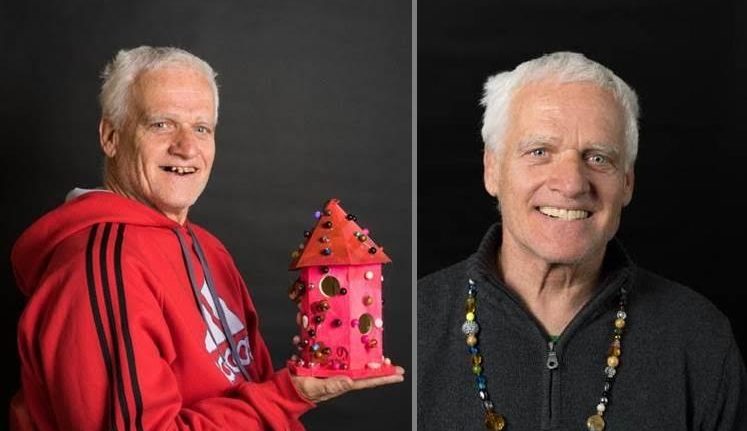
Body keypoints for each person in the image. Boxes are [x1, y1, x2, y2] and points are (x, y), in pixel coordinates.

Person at [10, 46, 404, 431]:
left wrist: (296, 387)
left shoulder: (209, 250)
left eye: (201, 128)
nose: (186, 148)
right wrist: (289, 394)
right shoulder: (96, 268)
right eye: (161, 124)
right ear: (111, 137)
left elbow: (256, 398)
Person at [417, 52, 746, 431]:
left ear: (627, 183)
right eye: (539, 152)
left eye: (598, 158)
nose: (572, 184)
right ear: (492, 169)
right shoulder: (420, 323)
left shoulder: (698, 338)